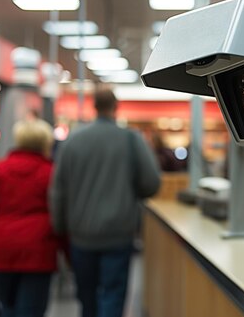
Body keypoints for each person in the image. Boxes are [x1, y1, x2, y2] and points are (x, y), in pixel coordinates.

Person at [49, 89, 161, 317]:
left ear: (94, 106)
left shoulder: (72, 142)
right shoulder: (130, 140)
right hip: (118, 233)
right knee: (113, 294)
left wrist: (60, 226)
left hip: (81, 234)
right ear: (115, 106)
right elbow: (151, 183)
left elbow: (58, 190)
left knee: (86, 296)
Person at [0, 119, 59, 317]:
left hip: (1, 250)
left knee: (7, 307)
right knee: (31, 310)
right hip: (38, 251)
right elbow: (59, 215)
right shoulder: (51, 174)